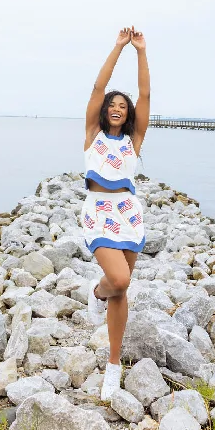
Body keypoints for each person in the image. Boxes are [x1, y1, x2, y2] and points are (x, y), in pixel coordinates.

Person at [79, 26, 150, 401]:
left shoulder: (134, 142)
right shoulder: (93, 134)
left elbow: (146, 94)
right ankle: (96, 291)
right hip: (98, 211)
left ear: (129, 114)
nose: (117, 108)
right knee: (118, 280)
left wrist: (141, 51)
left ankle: (113, 365)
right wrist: (119, 46)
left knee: (122, 290)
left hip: (129, 212)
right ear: (106, 110)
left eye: (123, 106)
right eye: (113, 104)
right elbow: (96, 88)